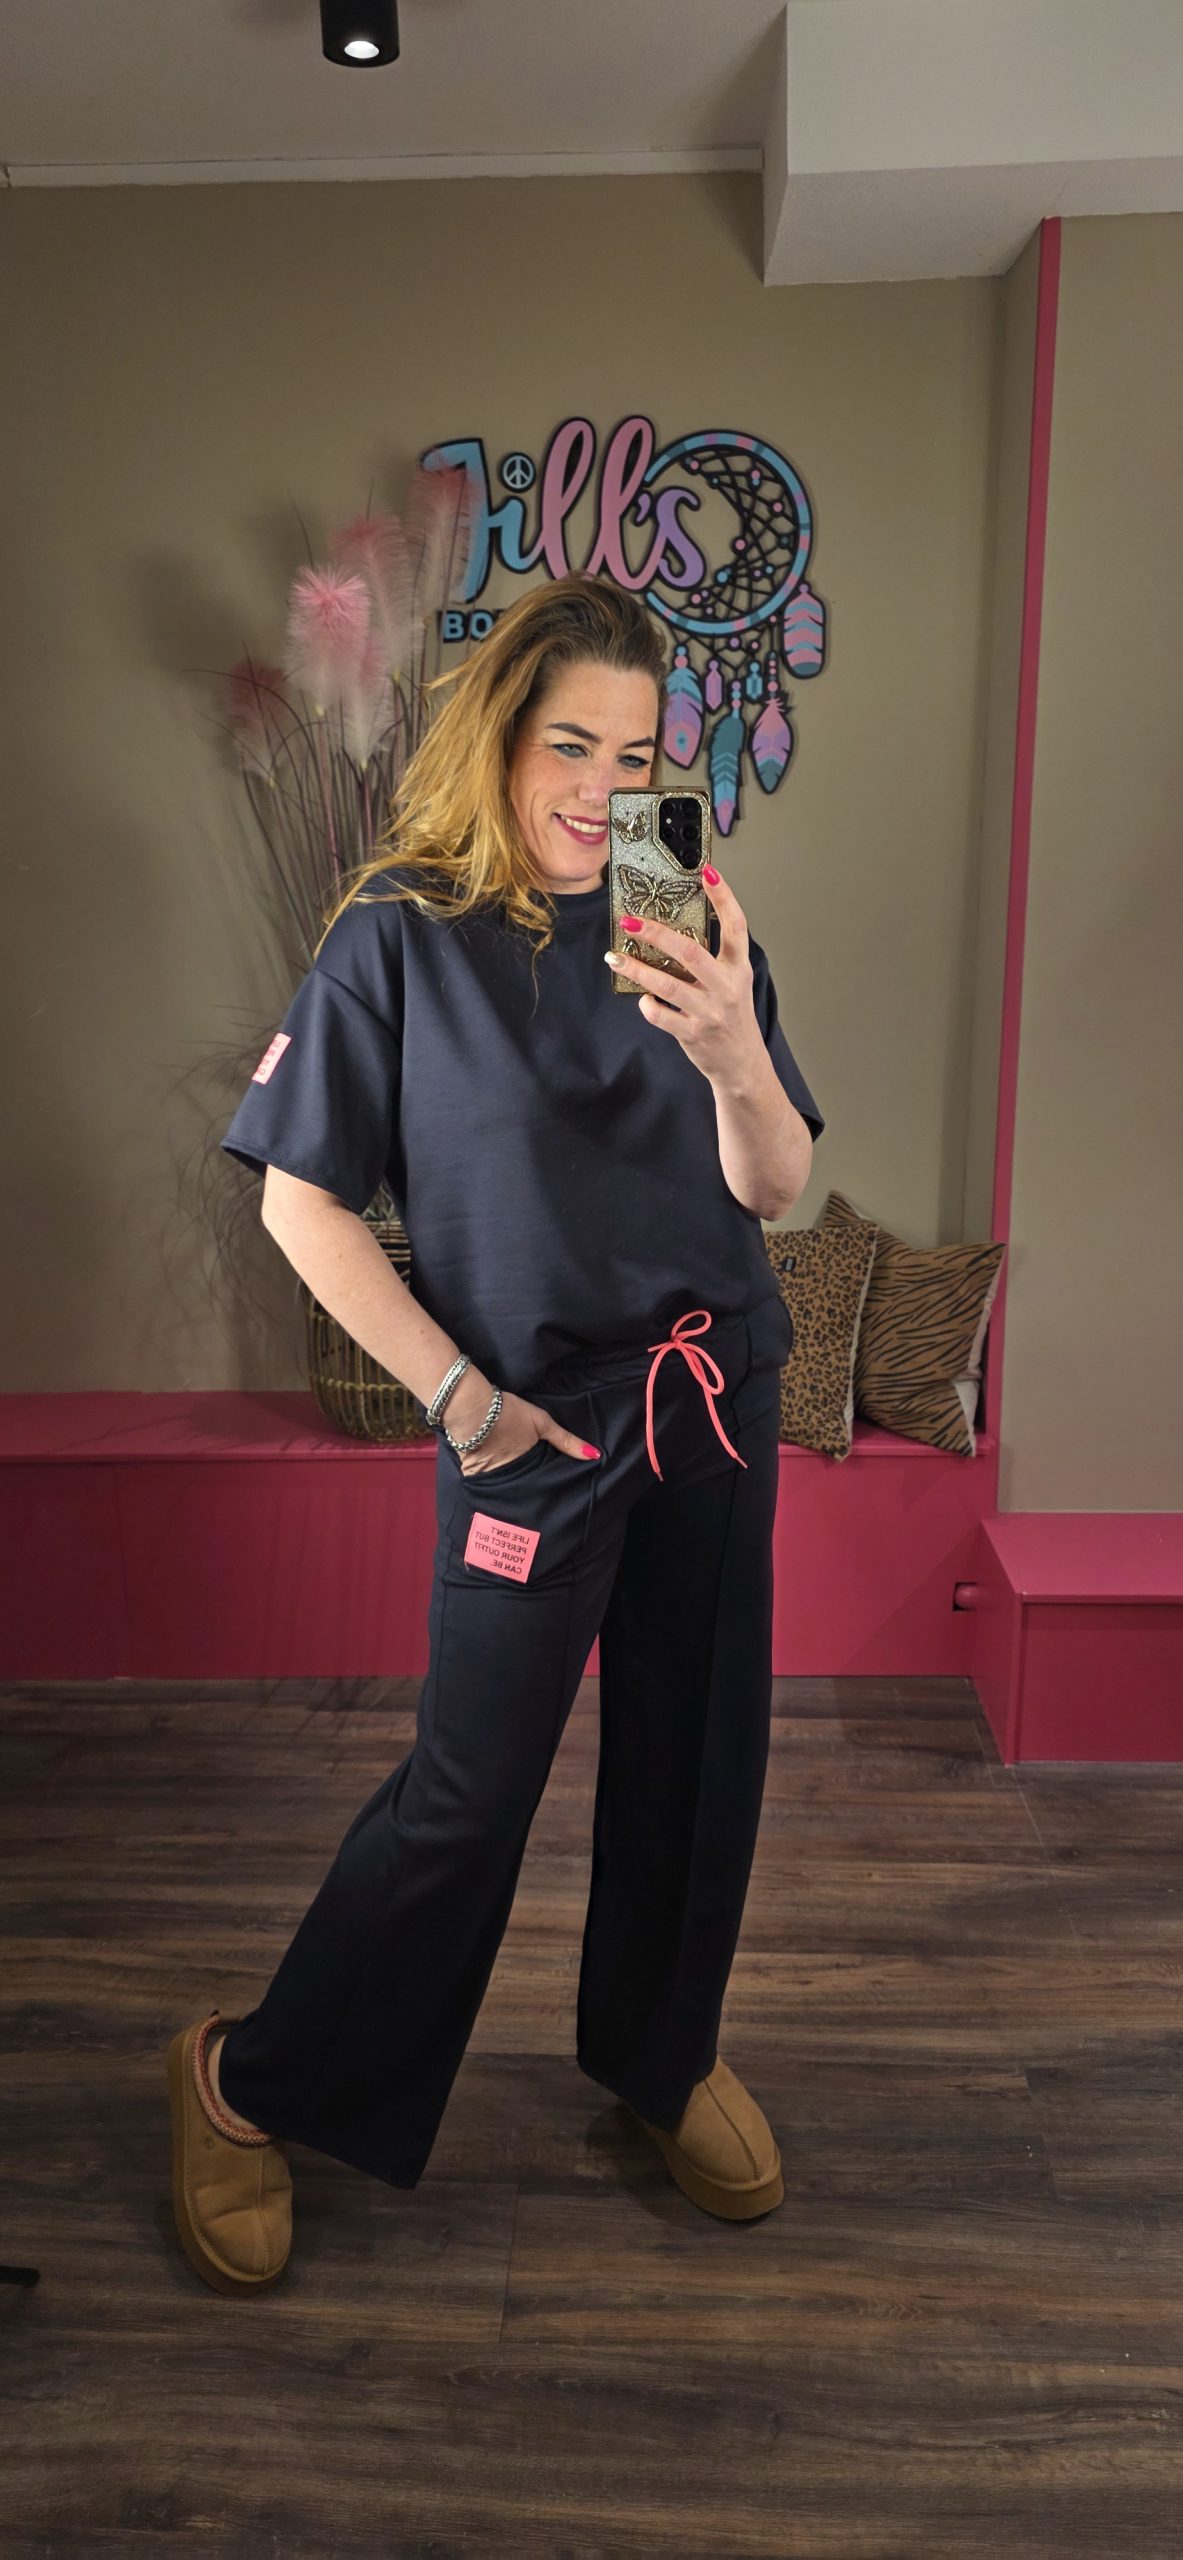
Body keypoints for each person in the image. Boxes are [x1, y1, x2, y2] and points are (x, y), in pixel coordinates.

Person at [166, 571, 824, 2296]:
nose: (602, 788)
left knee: (698, 1757)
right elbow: (300, 1201)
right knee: (465, 1802)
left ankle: (659, 2059)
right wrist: (456, 1398)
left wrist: (736, 1047)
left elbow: (773, 1185)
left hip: (712, 1396)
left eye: (634, 753)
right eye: (568, 745)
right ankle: (244, 2083)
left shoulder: (689, 916)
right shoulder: (398, 931)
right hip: (529, 1429)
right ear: (502, 738)